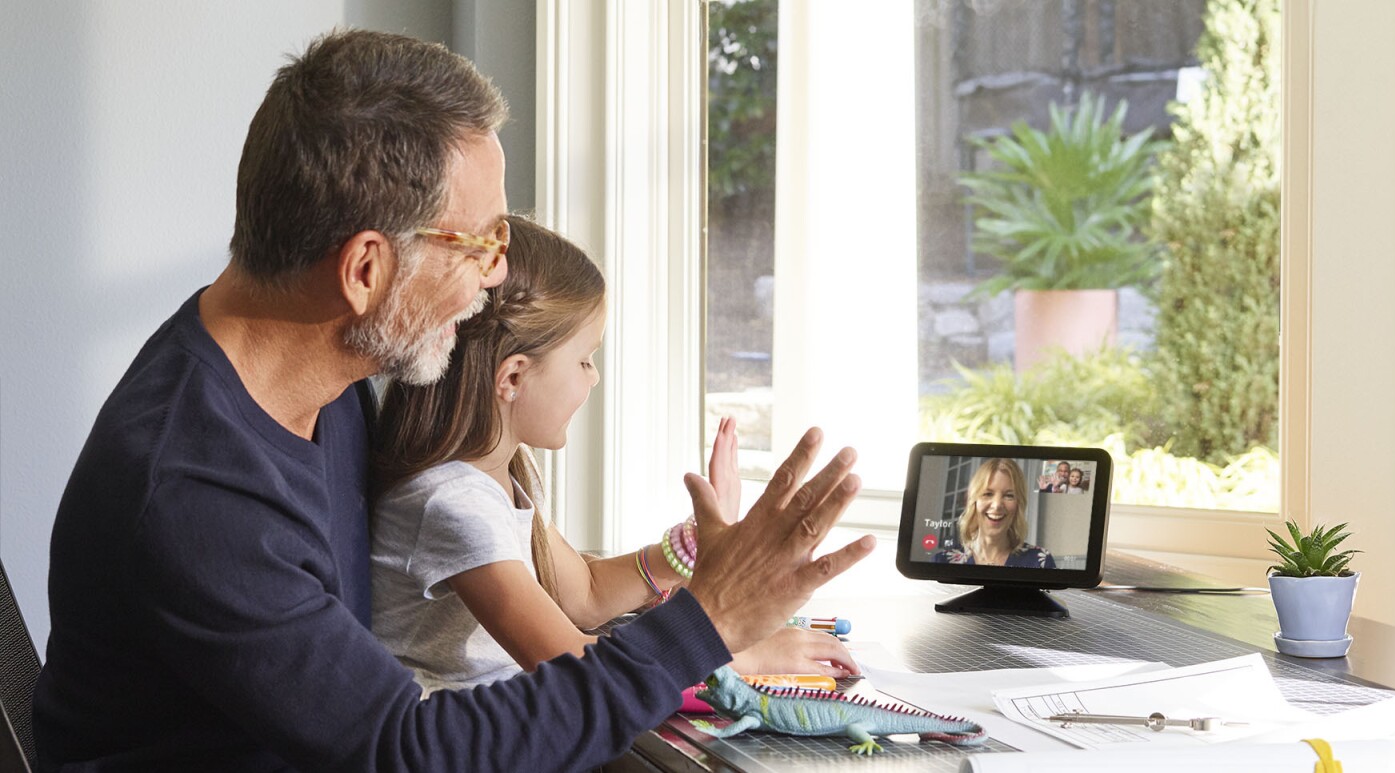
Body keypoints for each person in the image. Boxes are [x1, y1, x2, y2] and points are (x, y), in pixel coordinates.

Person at [33, 29, 873, 772]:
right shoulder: (195, 488)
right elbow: (408, 748)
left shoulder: (322, 387)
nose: (499, 272)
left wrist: (684, 585)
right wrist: (710, 622)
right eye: (483, 242)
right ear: (366, 271)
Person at [368, 218, 857, 695]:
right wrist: (741, 653)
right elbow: (573, 665)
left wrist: (693, 545)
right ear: (513, 377)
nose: (593, 377)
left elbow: (584, 595)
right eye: (584, 359)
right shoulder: (453, 502)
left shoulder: (503, 472)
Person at [932, 458, 1056, 569]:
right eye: (987, 494)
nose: (996, 505)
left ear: (1019, 504)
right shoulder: (942, 562)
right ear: (974, 501)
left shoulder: (1040, 561)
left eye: (1009, 496)